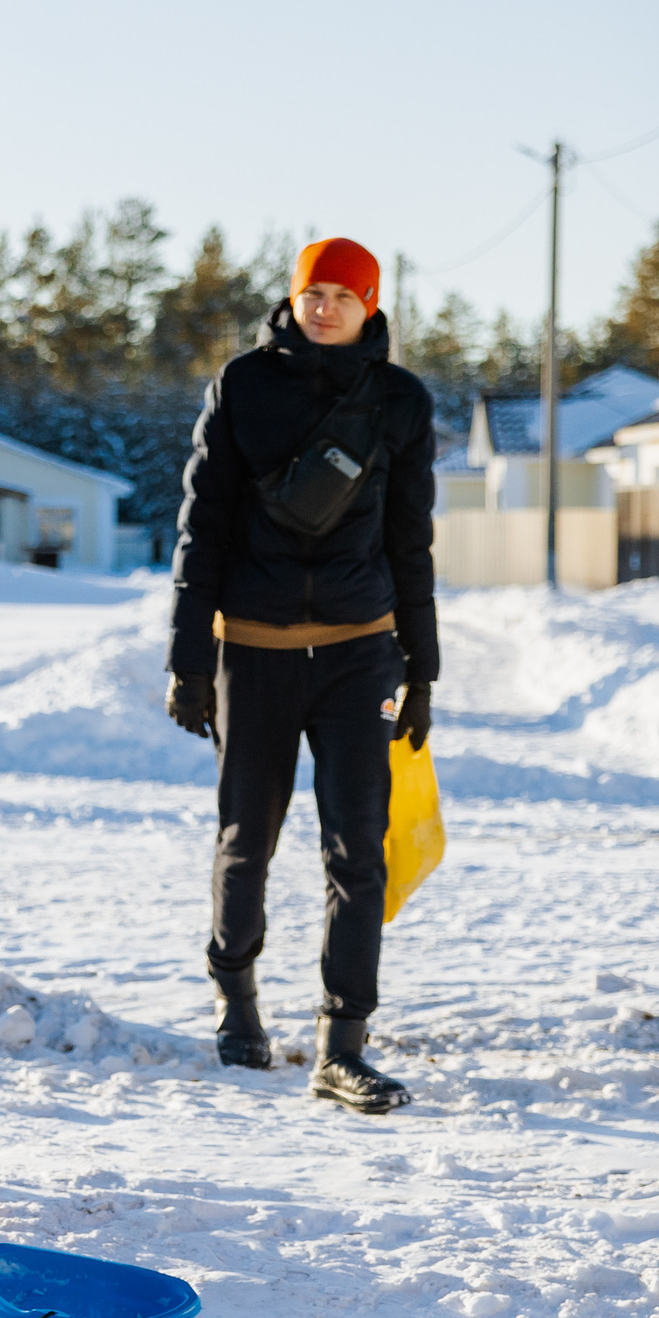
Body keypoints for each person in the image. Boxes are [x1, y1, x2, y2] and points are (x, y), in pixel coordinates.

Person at [165, 237, 434, 1116]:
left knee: (360, 848)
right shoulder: (243, 385)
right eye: (312, 292)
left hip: (362, 650)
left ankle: (341, 1043)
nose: (325, 307)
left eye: (342, 296)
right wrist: (189, 661)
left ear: (370, 304)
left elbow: (411, 541)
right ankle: (235, 994)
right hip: (255, 648)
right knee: (249, 835)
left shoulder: (398, 400)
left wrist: (421, 667)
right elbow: (200, 528)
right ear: (293, 298)